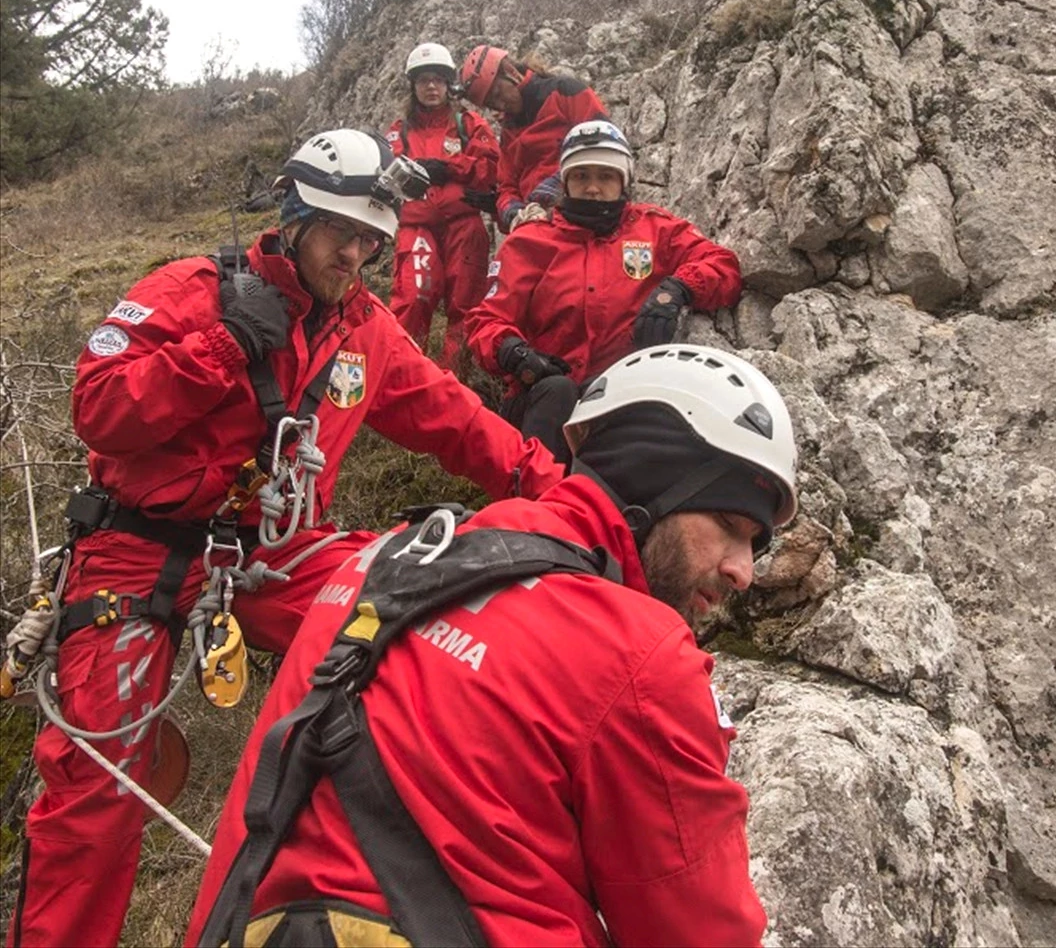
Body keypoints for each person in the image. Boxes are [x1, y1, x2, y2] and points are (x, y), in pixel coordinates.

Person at [6, 129, 563, 948]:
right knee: (100, 793)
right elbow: (101, 412)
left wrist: (566, 496)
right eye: (341, 233)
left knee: (411, 623)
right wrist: (226, 345)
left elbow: (456, 420)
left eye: (372, 241)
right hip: (134, 552)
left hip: (274, 553)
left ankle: (351, 877)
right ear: (294, 218)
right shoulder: (189, 292)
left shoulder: (364, 329)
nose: (355, 256)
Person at [186, 343, 798, 947]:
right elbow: (697, 932)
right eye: (728, 525)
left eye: (757, 544)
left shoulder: (375, 563)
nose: (743, 570)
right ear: (652, 486)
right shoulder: (639, 656)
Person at [465, 119, 743, 462]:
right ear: (564, 182)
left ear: (624, 181)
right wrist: (518, 355)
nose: (593, 188)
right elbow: (485, 321)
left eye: (606, 176)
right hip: (547, 397)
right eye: (581, 176)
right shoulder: (530, 242)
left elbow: (722, 263)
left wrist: (676, 289)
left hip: (625, 393)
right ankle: (536, 503)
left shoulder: (654, 229)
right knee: (557, 392)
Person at [385, 41, 500, 371]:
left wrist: (448, 167)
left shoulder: (469, 123)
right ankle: (403, 376)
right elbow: (389, 172)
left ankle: (454, 382)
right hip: (416, 224)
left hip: (463, 224)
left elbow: (491, 167)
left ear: (448, 83)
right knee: (411, 300)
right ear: (413, 86)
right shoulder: (400, 131)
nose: (431, 86)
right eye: (423, 81)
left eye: (437, 79)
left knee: (465, 306)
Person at [458, 44, 608, 233]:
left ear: (511, 72)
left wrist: (561, 182)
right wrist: (511, 210)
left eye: (497, 94)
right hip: (536, 223)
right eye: (490, 104)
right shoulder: (508, 132)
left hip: (582, 209)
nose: (499, 105)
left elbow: (602, 143)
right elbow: (507, 185)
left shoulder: (564, 92)